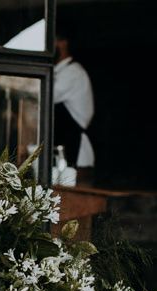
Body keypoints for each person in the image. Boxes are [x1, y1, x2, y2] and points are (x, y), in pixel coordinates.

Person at [53, 24, 95, 182]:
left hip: (76, 157)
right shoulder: (59, 72)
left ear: (63, 43)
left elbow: (44, 94)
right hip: (62, 156)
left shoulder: (73, 73)